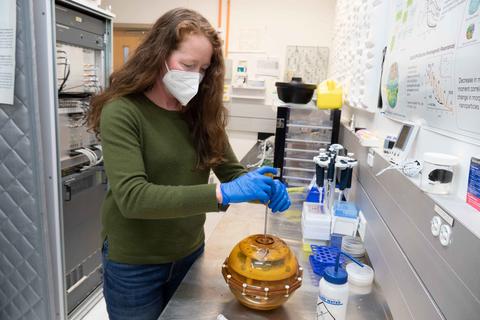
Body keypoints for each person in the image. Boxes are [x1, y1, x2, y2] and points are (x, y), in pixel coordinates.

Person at [86, 8, 290, 320]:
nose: (195, 77)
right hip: (134, 263)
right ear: (158, 55)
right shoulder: (123, 111)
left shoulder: (201, 113)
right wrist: (220, 195)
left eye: (204, 68)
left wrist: (261, 186)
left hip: (189, 253)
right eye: (187, 65)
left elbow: (231, 172)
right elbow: (133, 198)